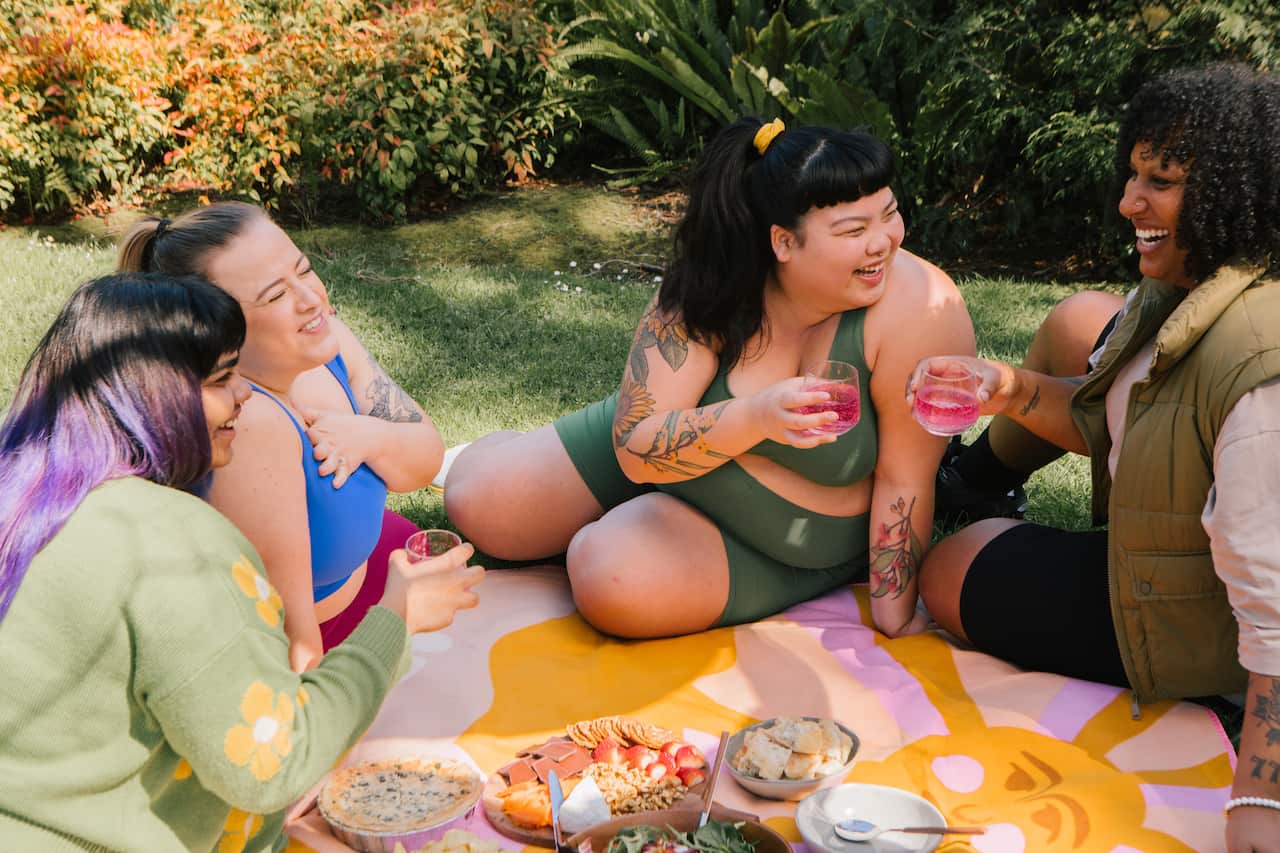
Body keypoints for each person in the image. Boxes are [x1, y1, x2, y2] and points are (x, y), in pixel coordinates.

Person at [907, 64, 1280, 852]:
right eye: (1134, 172)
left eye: (1162, 181)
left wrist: (1258, 790)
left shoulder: (1258, 366)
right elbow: (1132, 426)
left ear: (1232, 192)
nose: (1128, 201)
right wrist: (1003, 387)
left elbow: (1275, 600)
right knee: (1083, 325)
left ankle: (1214, 701)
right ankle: (978, 490)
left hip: (1202, 631)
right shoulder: (1185, 287)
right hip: (1167, 569)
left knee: (946, 571)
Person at [0, 273, 483, 852]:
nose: (245, 395)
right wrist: (395, 619)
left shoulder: (23, 498)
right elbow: (274, 763)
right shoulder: (173, 541)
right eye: (224, 378)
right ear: (161, 395)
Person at [445, 118, 975, 639]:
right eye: (854, 231)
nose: (883, 241)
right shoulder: (716, 277)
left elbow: (906, 479)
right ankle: (517, 463)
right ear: (783, 243)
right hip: (661, 445)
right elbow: (636, 445)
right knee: (479, 505)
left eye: (889, 215)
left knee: (609, 575)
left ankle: (628, 526)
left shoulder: (919, 309)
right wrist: (757, 417)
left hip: (778, 542)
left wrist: (895, 613)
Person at [118, 203, 447, 671]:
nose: (310, 298)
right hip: (330, 640)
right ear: (213, 326)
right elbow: (290, 648)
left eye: (304, 270)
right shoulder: (247, 423)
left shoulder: (327, 342)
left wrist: (367, 435)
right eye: (274, 296)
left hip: (374, 568)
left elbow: (426, 457)